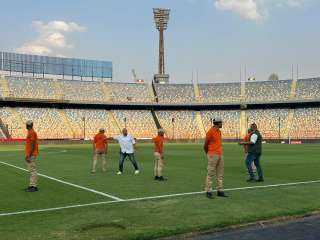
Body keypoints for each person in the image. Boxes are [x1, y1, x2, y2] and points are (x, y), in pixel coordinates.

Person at [204, 118, 227, 199]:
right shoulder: (210, 132)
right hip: (212, 154)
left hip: (220, 154)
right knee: (210, 173)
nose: (222, 124)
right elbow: (205, 144)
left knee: (220, 174)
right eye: (221, 123)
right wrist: (208, 153)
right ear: (217, 123)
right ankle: (208, 191)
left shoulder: (219, 131)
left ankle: (220, 190)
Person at [25, 121, 39, 192]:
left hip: (32, 154)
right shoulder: (30, 132)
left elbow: (33, 145)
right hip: (30, 154)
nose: (26, 126)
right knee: (31, 170)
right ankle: (31, 185)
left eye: (27, 125)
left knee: (32, 170)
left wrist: (29, 155)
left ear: (29, 126)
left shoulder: (32, 132)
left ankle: (33, 186)